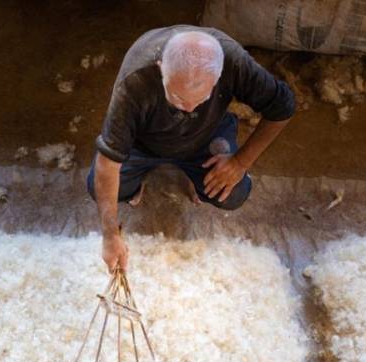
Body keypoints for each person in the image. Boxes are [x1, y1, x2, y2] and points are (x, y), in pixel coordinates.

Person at [89, 27, 296, 272]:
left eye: (199, 100)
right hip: (142, 142)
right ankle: (145, 172)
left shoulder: (233, 62)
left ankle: (191, 172)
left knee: (233, 194)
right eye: (176, 98)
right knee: (100, 188)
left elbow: (283, 107)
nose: (187, 110)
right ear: (160, 68)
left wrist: (240, 162)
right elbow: (108, 162)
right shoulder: (136, 78)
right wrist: (110, 234)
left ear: (219, 77)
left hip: (205, 136)